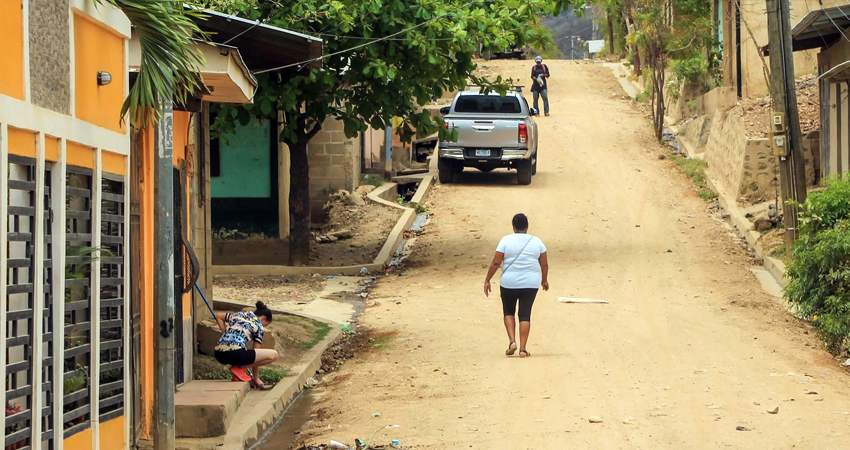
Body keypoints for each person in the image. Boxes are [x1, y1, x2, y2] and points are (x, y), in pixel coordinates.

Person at [484, 213, 549, 358]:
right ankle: (523, 349)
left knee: (508, 311)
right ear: (527, 226)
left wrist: (487, 279)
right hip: (531, 283)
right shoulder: (537, 241)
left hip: (509, 282)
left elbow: (496, 262)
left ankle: (512, 341)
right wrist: (544, 280)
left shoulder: (505, 240)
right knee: (525, 314)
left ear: (513, 226)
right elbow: (544, 263)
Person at [214, 301, 279, 389]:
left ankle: (238, 369)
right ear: (263, 318)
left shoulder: (239, 314)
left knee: (241, 353)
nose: (264, 327)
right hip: (237, 353)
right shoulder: (259, 326)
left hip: (219, 354)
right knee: (274, 355)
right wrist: (256, 378)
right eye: (266, 325)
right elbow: (256, 351)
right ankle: (239, 367)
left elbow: (219, 316)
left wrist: (225, 332)